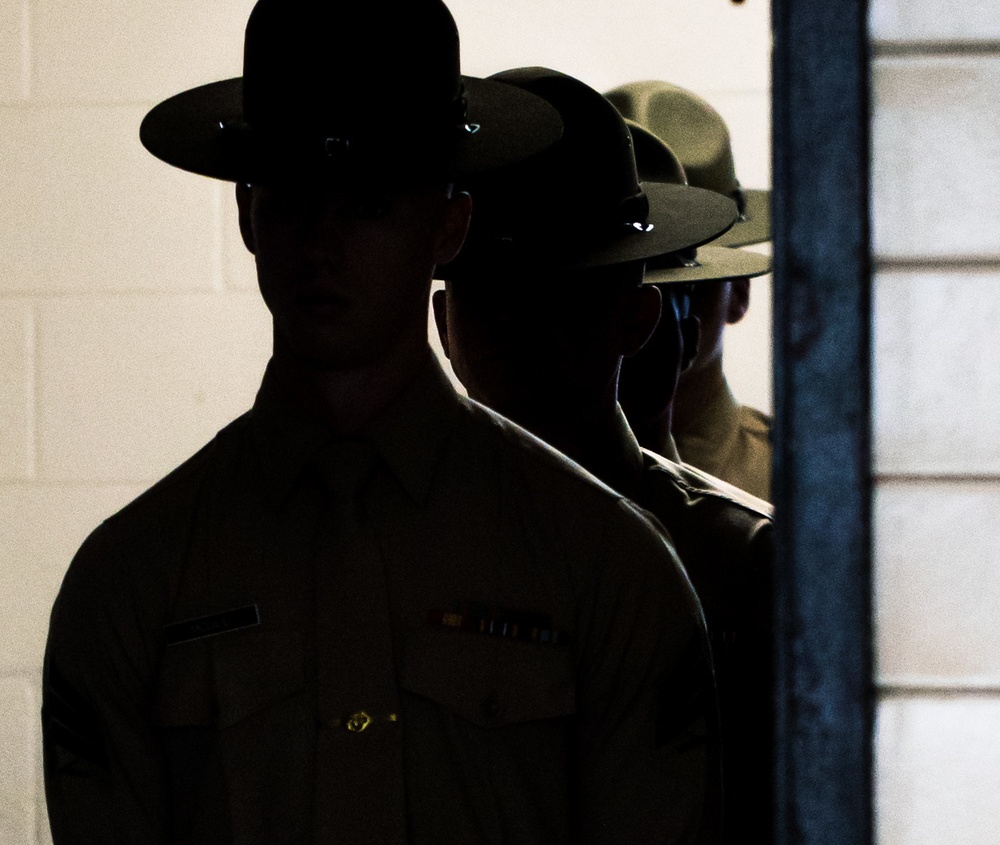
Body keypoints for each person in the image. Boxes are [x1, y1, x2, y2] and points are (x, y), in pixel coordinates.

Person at [41, 3, 721, 843]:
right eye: (294, 197)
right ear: (248, 212)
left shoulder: (607, 569)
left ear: (449, 223)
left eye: (369, 203)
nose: (323, 241)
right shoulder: (133, 583)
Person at [433, 71, 774, 844]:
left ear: (639, 317)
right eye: (496, 294)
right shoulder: (381, 542)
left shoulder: (741, 560)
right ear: (443, 320)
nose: (525, 326)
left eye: (568, 296)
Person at [606, 81, 773, 501]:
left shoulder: (805, 484)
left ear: (738, 290)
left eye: (688, 278)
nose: (653, 308)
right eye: (622, 278)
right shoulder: (517, 476)